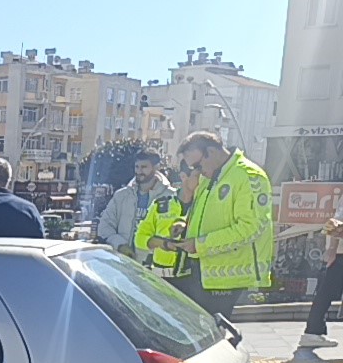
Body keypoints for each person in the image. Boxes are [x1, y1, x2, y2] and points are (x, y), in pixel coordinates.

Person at [175, 131, 274, 319]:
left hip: (229, 276)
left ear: (211, 152)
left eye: (197, 165)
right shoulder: (209, 177)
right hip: (206, 272)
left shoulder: (249, 175)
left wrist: (200, 244)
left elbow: (251, 227)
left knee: (218, 337)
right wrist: (186, 227)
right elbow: (209, 217)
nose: (196, 171)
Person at [134, 162, 201, 292]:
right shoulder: (161, 205)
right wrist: (164, 244)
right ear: (183, 177)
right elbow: (140, 238)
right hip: (162, 281)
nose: (202, 180)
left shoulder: (204, 206)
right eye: (197, 176)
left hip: (193, 280)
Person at [98, 150, 173, 260]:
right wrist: (120, 245)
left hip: (154, 265)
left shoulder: (170, 196)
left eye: (144, 167)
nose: (139, 171)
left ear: (156, 167)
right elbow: (104, 226)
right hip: (125, 262)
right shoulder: (121, 196)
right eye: (136, 167)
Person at [300, 205, 343, 347]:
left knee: (326, 292)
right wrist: (331, 250)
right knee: (327, 292)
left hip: (338, 253)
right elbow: (335, 222)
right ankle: (312, 332)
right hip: (340, 254)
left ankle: (313, 331)